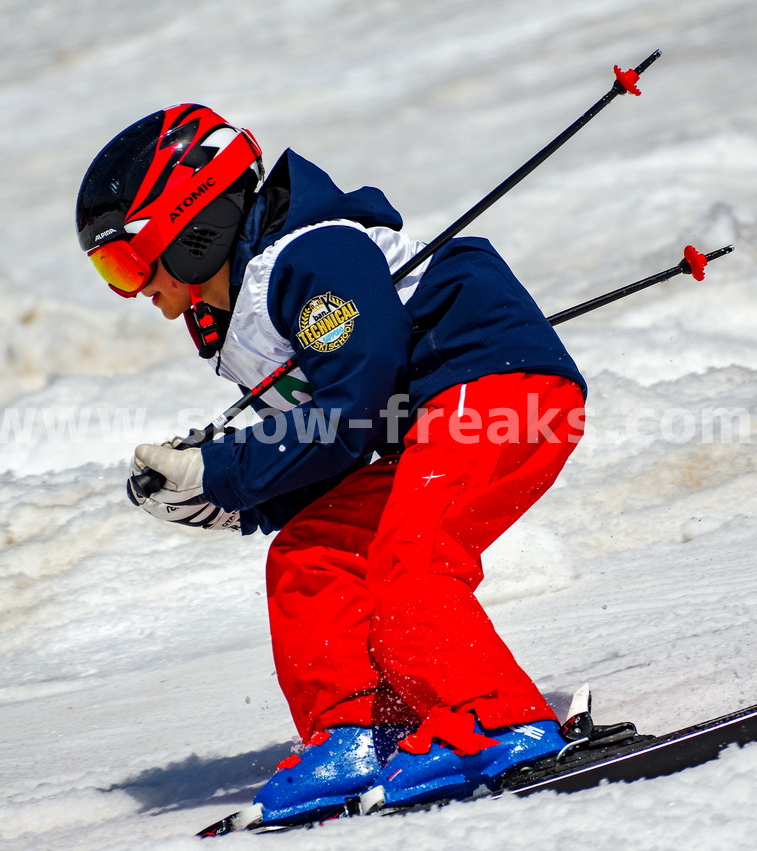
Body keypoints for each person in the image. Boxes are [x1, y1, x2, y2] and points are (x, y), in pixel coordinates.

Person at [75, 104, 588, 825]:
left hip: (500, 390)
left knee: (409, 559)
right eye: (107, 271)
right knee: (309, 556)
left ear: (189, 226)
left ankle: (497, 719)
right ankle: (356, 734)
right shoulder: (238, 314)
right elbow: (337, 440)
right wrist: (238, 501)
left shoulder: (313, 256)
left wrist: (227, 469)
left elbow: (350, 412)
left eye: (126, 261)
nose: (130, 290)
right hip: (422, 429)